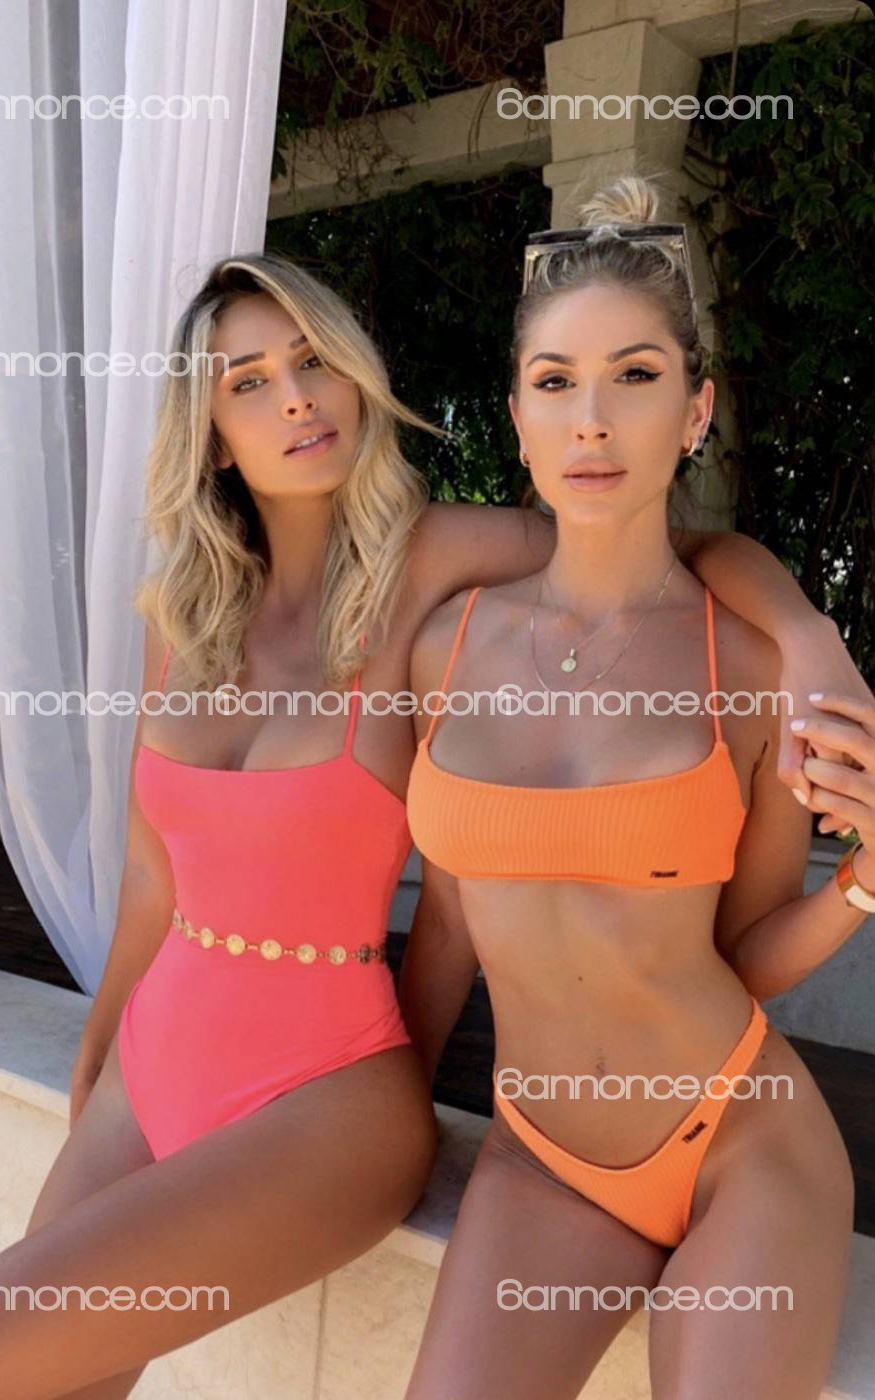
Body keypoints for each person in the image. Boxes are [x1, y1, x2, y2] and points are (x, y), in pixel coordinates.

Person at [0, 249, 870, 1400]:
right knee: (49, 1383)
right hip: (169, 1056)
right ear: (208, 434)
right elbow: (153, 872)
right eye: (248, 382)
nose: (294, 397)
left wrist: (807, 635)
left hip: (336, 1077)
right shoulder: (186, 613)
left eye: (312, 361)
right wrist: (100, 1050)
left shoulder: (433, 566)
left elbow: (649, 537)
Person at [401, 176, 871, 1400]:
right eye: (556, 381)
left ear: (694, 410)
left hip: (737, 1141)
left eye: (636, 375)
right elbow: (447, 919)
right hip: (541, 1154)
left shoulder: (751, 663)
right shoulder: (442, 641)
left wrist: (866, 882)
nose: (593, 419)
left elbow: (743, 953)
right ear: (516, 415)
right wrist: (393, 1111)